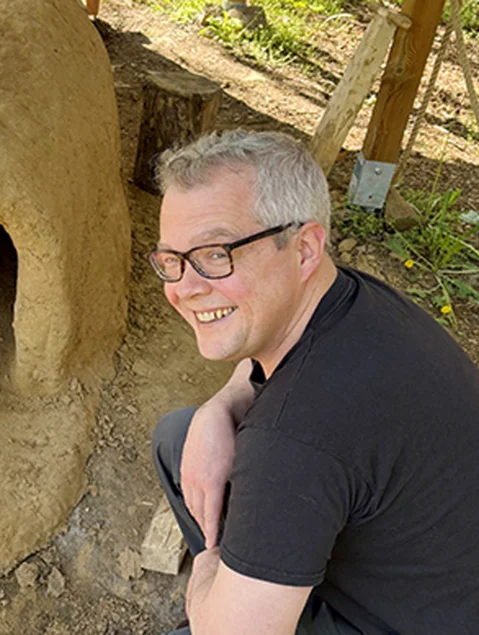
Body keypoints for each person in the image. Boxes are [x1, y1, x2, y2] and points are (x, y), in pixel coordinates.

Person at [147, 130, 479, 635]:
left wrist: (209, 572)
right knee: (182, 436)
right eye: (171, 260)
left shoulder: (296, 435)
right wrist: (222, 405)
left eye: (216, 253)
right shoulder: (352, 302)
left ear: (304, 248)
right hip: (432, 580)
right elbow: (268, 386)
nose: (185, 289)